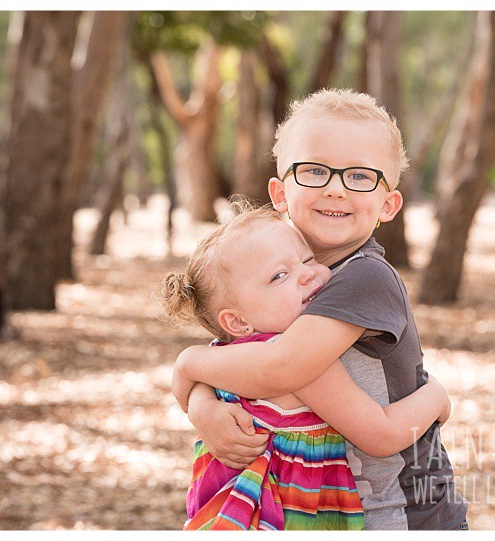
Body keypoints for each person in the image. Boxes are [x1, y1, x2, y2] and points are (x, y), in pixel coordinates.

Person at [172, 89, 469, 530]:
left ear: (388, 204)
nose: (334, 188)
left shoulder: (366, 277)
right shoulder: (272, 275)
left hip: (398, 512)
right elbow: (244, 358)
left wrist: (189, 364)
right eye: (314, 170)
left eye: (360, 176)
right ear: (279, 191)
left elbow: (281, 367)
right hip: (317, 509)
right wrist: (202, 406)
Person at [161, 203, 451, 530]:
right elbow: (381, 434)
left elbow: (189, 383)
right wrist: (437, 396)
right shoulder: (299, 364)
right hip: (287, 518)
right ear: (237, 321)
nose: (307, 273)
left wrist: (199, 400)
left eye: (307, 258)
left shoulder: (223, 356)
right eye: (280, 275)